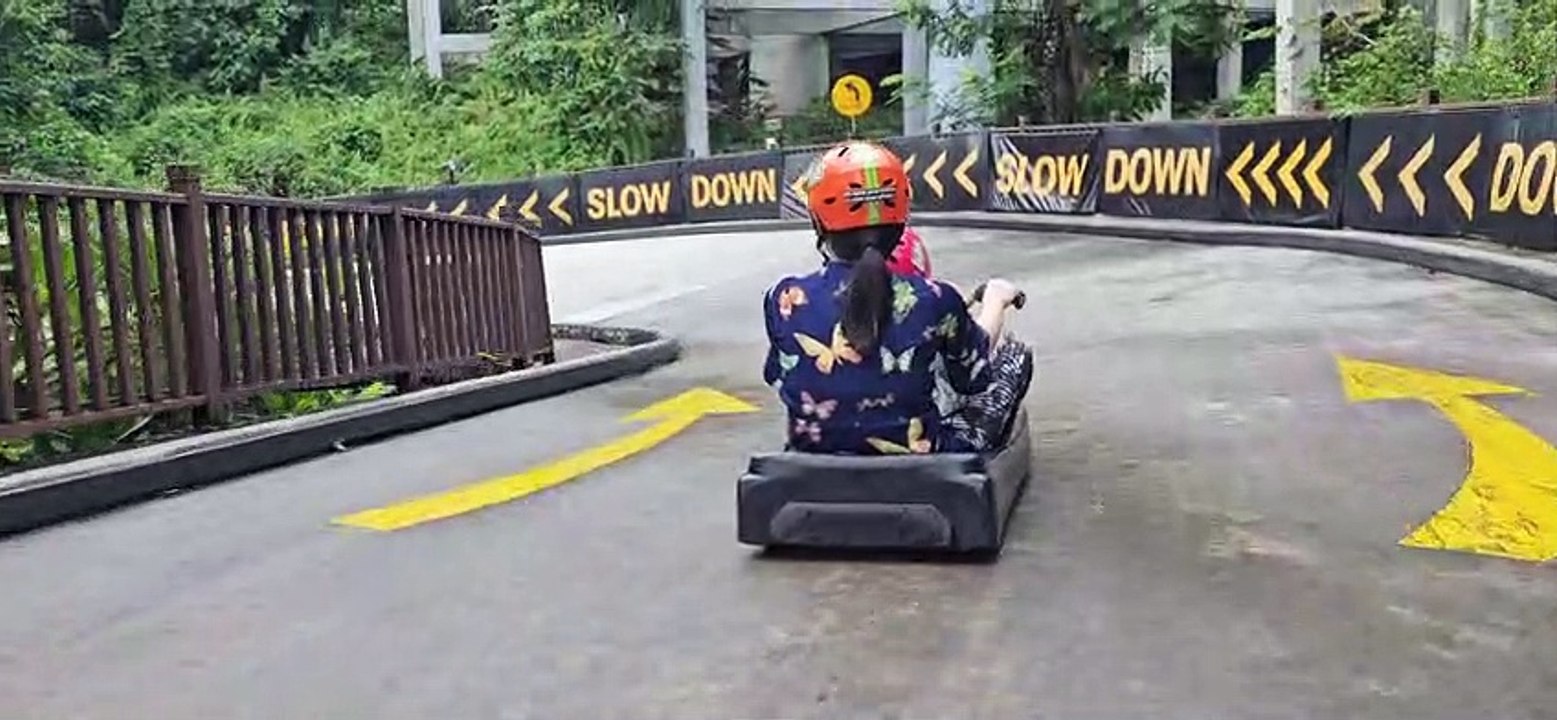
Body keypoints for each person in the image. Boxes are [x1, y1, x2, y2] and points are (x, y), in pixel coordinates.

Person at [762, 141, 1033, 455]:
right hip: (920, 458)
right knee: (1013, 359)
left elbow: (777, 376)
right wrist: (995, 303)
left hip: (811, 458)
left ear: (819, 220)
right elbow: (973, 379)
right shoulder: (936, 298)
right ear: (901, 217)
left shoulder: (783, 297)